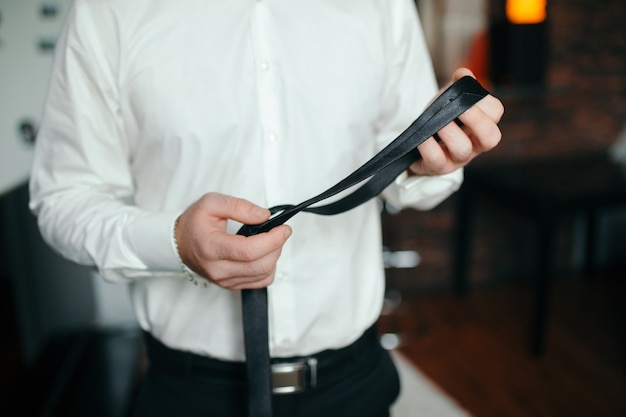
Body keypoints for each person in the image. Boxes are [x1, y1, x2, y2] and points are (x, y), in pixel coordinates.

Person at [28, 0, 503, 416]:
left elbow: (403, 169)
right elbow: (63, 197)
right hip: (191, 393)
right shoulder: (107, 10)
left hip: (354, 383)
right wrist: (174, 244)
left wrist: (427, 161)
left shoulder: (380, 4)